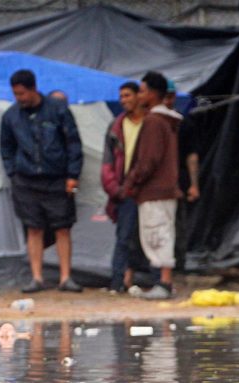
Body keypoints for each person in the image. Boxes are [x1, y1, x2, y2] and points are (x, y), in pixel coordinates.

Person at [0, 69, 83, 293]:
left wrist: (73, 175)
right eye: (16, 94)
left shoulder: (57, 110)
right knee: (33, 228)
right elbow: (6, 147)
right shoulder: (11, 116)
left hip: (56, 179)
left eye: (22, 94)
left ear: (33, 88)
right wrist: (13, 173)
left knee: (62, 227)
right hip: (26, 181)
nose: (19, 99)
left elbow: (73, 143)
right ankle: (37, 278)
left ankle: (66, 277)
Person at [123, 71, 183, 300]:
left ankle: (164, 283)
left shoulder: (153, 122)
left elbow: (148, 159)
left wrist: (132, 181)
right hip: (164, 189)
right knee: (162, 231)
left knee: (157, 233)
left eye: (143, 90)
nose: (140, 95)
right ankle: (163, 281)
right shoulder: (167, 121)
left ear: (153, 93)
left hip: (154, 190)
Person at [101, 81, 144, 293]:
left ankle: (151, 280)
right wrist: (114, 188)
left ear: (139, 96)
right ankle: (117, 282)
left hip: (146, 189)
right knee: (124, 237)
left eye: (128, 95)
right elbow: (107, 161)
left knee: (150, 236)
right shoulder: (116, 126)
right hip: (124, 191)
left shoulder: (150, 123)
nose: (124, 100)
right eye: (122, 97)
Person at [163, 79, 200, 271]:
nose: (167, 101)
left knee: (177, 224)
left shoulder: (182, 124)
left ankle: (178, 264)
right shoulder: (151, 122)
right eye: (164, 97)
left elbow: (191, 156)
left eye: (170, 97)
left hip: (179, 182)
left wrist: (194, 184)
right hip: (156, 184)